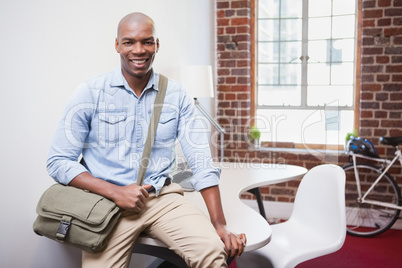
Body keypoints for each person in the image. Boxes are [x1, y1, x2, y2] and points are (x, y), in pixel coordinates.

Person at [46, 12, 246, 268]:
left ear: (156, 44)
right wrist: (116, 192)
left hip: (161, 198)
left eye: (146, 42)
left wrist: (220, 224)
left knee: (213, 253)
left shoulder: (177, 94)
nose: (138, 50)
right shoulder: (90, 92)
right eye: (129, 42)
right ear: (117, 45)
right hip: (106, 205)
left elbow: (200, 160)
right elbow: (58, 161)